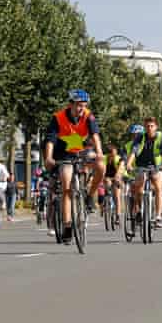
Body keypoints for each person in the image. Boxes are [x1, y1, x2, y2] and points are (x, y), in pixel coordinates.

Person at [44, 89, 106, 242]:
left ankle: (91, 195)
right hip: (62, 152)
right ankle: (67, 226)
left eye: (83, 105)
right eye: (78, 105)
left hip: (79, 147)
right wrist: (49, 157)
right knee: (66, 185)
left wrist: (99, 152)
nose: (81, 109)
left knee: (101, 166)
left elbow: (95, 135)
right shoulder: (58, 118)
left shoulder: (87, 115)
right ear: (70, 104)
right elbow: (50, 140)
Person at [127, 117, 162, 228]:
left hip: (157, 166)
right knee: (138, 188)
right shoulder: (140, 137)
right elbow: (133, 152)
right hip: (142, 165)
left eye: (151, 126)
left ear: (156, 127)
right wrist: (129, 164)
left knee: (158, 187)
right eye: (147, 126)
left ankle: (158, 216)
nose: (149, 128)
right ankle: (139, 211)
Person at [102, 144, 126, 225]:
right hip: (107, 176)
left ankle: (118, 216)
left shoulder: (118, 159)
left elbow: (120, 169)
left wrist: (117, 177)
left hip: (117, 176)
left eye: (114, 153)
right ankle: (106, 200)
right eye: (110, 153)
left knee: (117, 196)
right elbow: (102, 170)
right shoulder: (104, 158)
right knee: (107, 183)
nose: (112, 155)